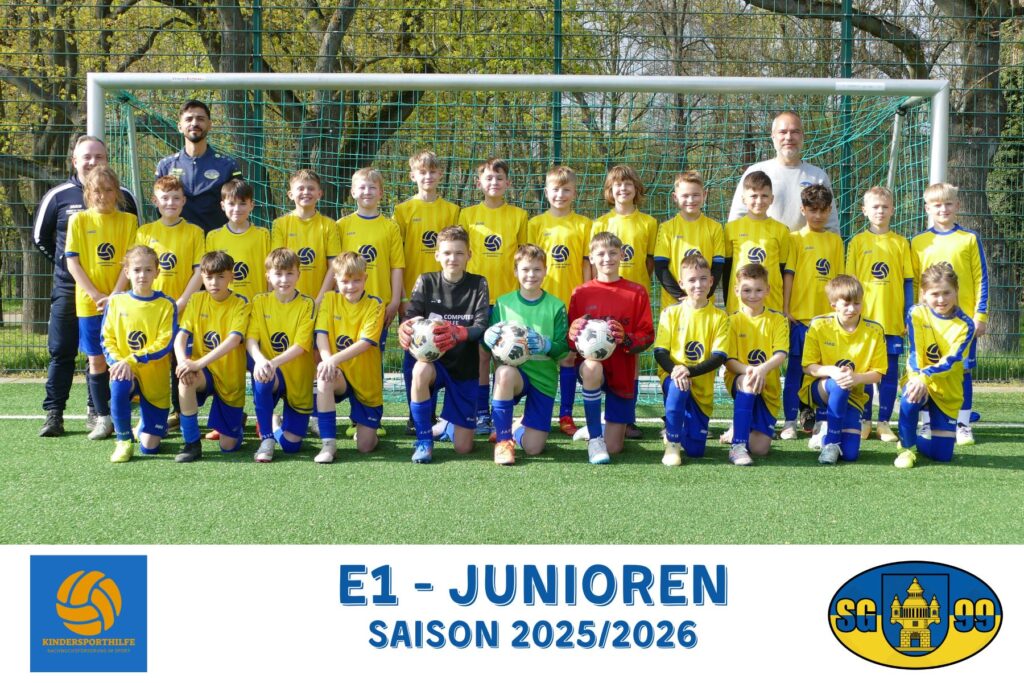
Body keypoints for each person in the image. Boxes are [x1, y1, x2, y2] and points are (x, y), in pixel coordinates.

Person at [33, 135, 138, 437]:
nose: (92, 161)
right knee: (62, 350)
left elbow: (134, 252)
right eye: (86, 156)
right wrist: (68, 268)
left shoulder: (125, 199)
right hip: (72, 289)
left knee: (109, 353)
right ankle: (54, 413)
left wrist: (115, 291)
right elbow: (41, 239)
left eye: (98, 156)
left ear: (106, 160)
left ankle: (97, 410)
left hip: (116, 291)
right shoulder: (58, 196)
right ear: (75, 161)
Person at [398, 226, 490, 464]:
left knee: (463, 448)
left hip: (464, 367)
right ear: (437, 255)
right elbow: (411, 316)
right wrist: (404, 328)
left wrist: (458, 332)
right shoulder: (426, 281)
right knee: (419, 369)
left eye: (459, 253)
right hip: (434, 364)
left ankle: (450, 425)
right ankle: (424, 440)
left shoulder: (478, 284)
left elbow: (481, 326)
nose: (453, 258)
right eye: (447, 253)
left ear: (469, 255)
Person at [911, 182, 989, 446]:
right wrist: (913, 316)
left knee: (962, 371)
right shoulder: (919, 242)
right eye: (937, 205)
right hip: (928, 323)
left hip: (962, 323)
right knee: (927, 368)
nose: (943, 209)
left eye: (948, 204)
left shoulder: (969, 238)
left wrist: (980, 315)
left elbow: (981, 278)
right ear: (927, 208)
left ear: (957, 205)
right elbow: (915, 282)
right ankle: (926, 422)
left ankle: (963, 424)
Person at [64, 165, 139, 441]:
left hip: (122, 303)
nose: (103, 196)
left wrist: (116, 295)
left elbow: (131, 262)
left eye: (108, 190)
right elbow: (72, 262)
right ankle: (103, 418)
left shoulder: (128, 221)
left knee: (125, 360)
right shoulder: (78, 220)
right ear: (88, 192)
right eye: (97, 190)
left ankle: (124, 417)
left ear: (117, 192)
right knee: (96, 361)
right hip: (90, 304)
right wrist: (96, 295)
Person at [567, 232, 654, 464]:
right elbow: (570, 340)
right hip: (590, 369)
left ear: (622, 255)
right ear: (591, 258)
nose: (607, 258)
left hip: (623, 370)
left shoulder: (636, 292)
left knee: (614, 448)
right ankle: (596, 438)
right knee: (592, 367)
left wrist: (626, 339)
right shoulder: (581, 293)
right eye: (601, 254)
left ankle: (596, 426)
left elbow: (647, 335)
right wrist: (572, 333)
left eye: (613, 253)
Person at [458, 158, 528, 435]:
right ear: (479, 183)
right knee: (480, 357)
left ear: (508, 183)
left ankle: (504, 414)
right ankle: (480, 413)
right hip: (476, 298)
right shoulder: (467, 215)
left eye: (499, 178)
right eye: (488, 178)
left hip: (508, 300)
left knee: (506, 356)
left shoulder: (519, 216)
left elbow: (523, 258)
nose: (494, 183)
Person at [483, 244, 570, 465]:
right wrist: (487, 337)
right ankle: (504, 441)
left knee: (533, 448)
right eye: (525, 269)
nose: (531, 275)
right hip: (516, 375)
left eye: (537, 269)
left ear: (546, 271)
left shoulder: (557, 306)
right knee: (504, 372)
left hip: (544, 379)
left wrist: (546, 345)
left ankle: (516, 427)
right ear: (515, 271)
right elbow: (489, 345)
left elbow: (563, 350)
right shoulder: (503, 303)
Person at [394, 150, 460, 435]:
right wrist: (401, 297)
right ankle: (417, 414)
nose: (428, 176)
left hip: (446, 295)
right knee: (413, 354)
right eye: (422, 172)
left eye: (433, 171)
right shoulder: (402, 210)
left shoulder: (452, 210)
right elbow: (397, 258)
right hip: (414, 295)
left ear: (440, 175)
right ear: (413, 176)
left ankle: (445, 415)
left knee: (444, 350)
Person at [589, 164, 657, 440]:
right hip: (605, 296)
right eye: (617, 184)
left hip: (632, 298)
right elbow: (593, 262)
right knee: (600, 350)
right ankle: (600, 415)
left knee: (631, 356)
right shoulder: (600, 223)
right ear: (610, 190)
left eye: (628, 184)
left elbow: (649, 261)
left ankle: (627, 419)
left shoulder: (648, 223)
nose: (623, 188)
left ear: (636, 189)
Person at [525, 165, 591, 437]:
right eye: (555, 189)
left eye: (566, 190)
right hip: (542, 304)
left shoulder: (584, 224)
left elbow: (586, 265)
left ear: (574, 192)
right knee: (537, 356)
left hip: (571, 304)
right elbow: (528, 265)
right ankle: (533, 413)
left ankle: (566, 414)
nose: (560, 195)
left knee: (568, 358)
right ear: (546, 192)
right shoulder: (535, 224)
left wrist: (585, 297)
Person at [137, 175, 206, 428]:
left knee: (180, 361)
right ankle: (153, 412)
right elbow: (137, 270)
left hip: (183, 310)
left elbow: (199, 271)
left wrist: (182, 300)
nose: (170, 203)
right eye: (165, 198)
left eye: (176, 198)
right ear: (155, 201)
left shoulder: (195, 232)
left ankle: (180, 412)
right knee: (155, 363)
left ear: (184, 201)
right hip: (153, 311)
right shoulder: (145, 232)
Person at [846, 186, 913, 443]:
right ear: (864, 211)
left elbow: (908, 282)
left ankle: (884, 423)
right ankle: (864, 420)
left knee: (889, 372)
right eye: (875, 207)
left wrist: (908, 314)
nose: (880, 211)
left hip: (891, 321)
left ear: (892, 210)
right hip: (864, 322)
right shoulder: (857, 242)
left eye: (885, 207)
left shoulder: (901, 243)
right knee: (863, 370)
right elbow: (850, 283)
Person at [780, 184, 844, 442]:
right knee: (796, 371)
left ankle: (821, 420)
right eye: (812, 210)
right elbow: (788, 275)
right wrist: (786, 308)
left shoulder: (835, 241)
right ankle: (789, 422)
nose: (817, 215)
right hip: (801, 318)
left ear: (829, 211)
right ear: (803, 210)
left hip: (826, 321)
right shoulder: (795, 239)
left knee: (825, 371)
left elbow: (838, 280)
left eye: (822, 210)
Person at [894, 264, 975, 469]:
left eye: (947, 293)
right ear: (923, 293)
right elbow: (915, 352)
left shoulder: (966, 325)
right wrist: (917, 379)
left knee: (942, 456)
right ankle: (906, 449)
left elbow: (951, 361)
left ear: (956, 291)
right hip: (918, 379)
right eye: (934, 294)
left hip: (947, 389)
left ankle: (914, 439)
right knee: (910, 397)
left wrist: (924, 377)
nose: (941, 299)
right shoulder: (916, 313)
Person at [101, 245, 177, 463]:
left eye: (148, 270)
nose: (142, 275)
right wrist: (119, 363)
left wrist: (131, 360)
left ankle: (145, 425)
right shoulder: (116, 302)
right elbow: (107, 339)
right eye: (136, 270)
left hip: (155, 380)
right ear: (127, 272)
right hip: (126, 371)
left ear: (157, 273)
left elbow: (164, 343)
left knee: (150, 448)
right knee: (118, 382)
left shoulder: (166, 304)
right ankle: (123, 440)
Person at [173, 250, 251, 462]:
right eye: (209, 277)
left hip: (229, 378)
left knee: (228, 446)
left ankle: (236, 424)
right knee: (185, 379)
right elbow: (180, 337)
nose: (214, 282)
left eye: (220, 277)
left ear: (231, 276)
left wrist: (197, 363)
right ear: (202, 277)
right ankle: (191, 443)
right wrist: (183, 363)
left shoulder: (241, 303)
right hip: (203, 372)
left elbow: (233, 341)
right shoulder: (197, 299)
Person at [799, 275, 886, 465]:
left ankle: (824, 433)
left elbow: (878, 373)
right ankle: (831, 442)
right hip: (821, 389)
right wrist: (833, 371)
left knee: (850, 454)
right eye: (846, 304)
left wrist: (856, 378)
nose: (852, 309)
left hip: (854, 394)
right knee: (840, 383)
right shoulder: (819, 325)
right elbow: (808, 367)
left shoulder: (875, 330)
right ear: (833, 305)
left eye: (857, 303)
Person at [653, 253, 729, 466]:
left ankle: (678, 428)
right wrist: (676, 370)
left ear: (711, 281)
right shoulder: (670, 313)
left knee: (696, 451)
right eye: (692, 280)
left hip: (700, 388)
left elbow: (719, 357)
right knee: (679, 387)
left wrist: (689, 370)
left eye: (703, 279)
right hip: (673, 377)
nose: (698, 284)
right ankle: (672, 443)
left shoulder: (720, 317)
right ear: (681, 283)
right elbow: (660, 352)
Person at [313, 252, 386, 463]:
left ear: (365, 278)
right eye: (344, 281)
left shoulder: (375, 304)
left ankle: (367, 430)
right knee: (324, 377)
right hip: (340, 374)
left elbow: (365, 343)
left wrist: (332, 360)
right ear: (335, 279)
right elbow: (321, 335)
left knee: (365, 447)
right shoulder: (329, 299)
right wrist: (328, 360)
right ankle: (328, 445)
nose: (351, 286)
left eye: (356, 280)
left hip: (366, 381)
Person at [246, 248, 316, 463]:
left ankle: (275, 425)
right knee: (262, 377)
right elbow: (251, 339)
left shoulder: (307, 304)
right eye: (278, 274)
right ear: (268, 276)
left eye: (289, 274)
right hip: (272, 372)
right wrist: (261, 361)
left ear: (298, 275)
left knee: (291, 447)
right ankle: (266, 439)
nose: (284, 280)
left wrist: (272, 362)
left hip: (298, 376)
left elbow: (301, 346)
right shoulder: (259, 301)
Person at [727, 110, 838, 232]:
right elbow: (737, 219)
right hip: (764, 244)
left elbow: (831, 225)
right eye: (783, 132)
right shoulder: (755, 172)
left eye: (795, 132)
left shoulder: (818, 176)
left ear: (803, 136)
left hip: (806, 245)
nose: (789, 137)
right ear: (773, 136)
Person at [724, 263, 788, 464]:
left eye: (758, 290)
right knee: (749, 382)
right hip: (740, 378)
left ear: (767, 290)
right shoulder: (731, 321)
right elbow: (729, 361)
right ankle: (738, 446)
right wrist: (751, 371)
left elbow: (781, 354)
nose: (753, 295)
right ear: (736, 291)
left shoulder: (777, 320)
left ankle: (739, 426)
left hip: (768, 384)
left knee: (760, 450)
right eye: (747, 290)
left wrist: (762, 370)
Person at [155, 99, 242, 233]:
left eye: (200, 119)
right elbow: (159, 209)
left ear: (210, 125)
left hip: (215, 241)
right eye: (189, 119)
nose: (194, 123)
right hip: (178, 240)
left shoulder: (228, 166)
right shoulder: (165, 166)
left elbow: (239, 207)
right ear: (180, 126)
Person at [654, 170, 725, 310]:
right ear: (675, 197)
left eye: (695, 195)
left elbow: (718, 267)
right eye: (685, 196)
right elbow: (660, 268)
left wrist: (703, 295)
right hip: (674, 305)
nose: (691, 200)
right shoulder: (666, 228)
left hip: (704, 303)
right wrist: (682, 296)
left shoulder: (715, 227)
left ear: (704, 195)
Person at [723, 171, 790, 314]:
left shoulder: (782, 230)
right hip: (738, 306)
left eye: (764, 196)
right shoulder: (731, 228)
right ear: (743, 199)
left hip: (772, 304)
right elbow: (727, 270)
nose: (759, 201)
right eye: (753, 196)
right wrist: (727, 301)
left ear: (772, 199)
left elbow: (783, 270)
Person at [271, 169, 340, 304]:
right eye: (301, 188)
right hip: (289, 301)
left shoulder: (329, 225)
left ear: (319, 194)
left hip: (320, 301)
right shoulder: (280, 224)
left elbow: (334, 267)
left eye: (311, 188)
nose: (306, 192)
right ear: (290, 194)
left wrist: (319, 300)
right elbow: (277, 266)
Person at [206, 179, 271, 302]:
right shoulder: (213, 237)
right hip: (227, 307)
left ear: (251, 205)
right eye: (231, 204)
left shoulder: (263, 235)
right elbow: (208, 275)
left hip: (257, 305)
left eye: (242, 203)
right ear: (223, 206)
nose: (237, 209)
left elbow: (271, 271)